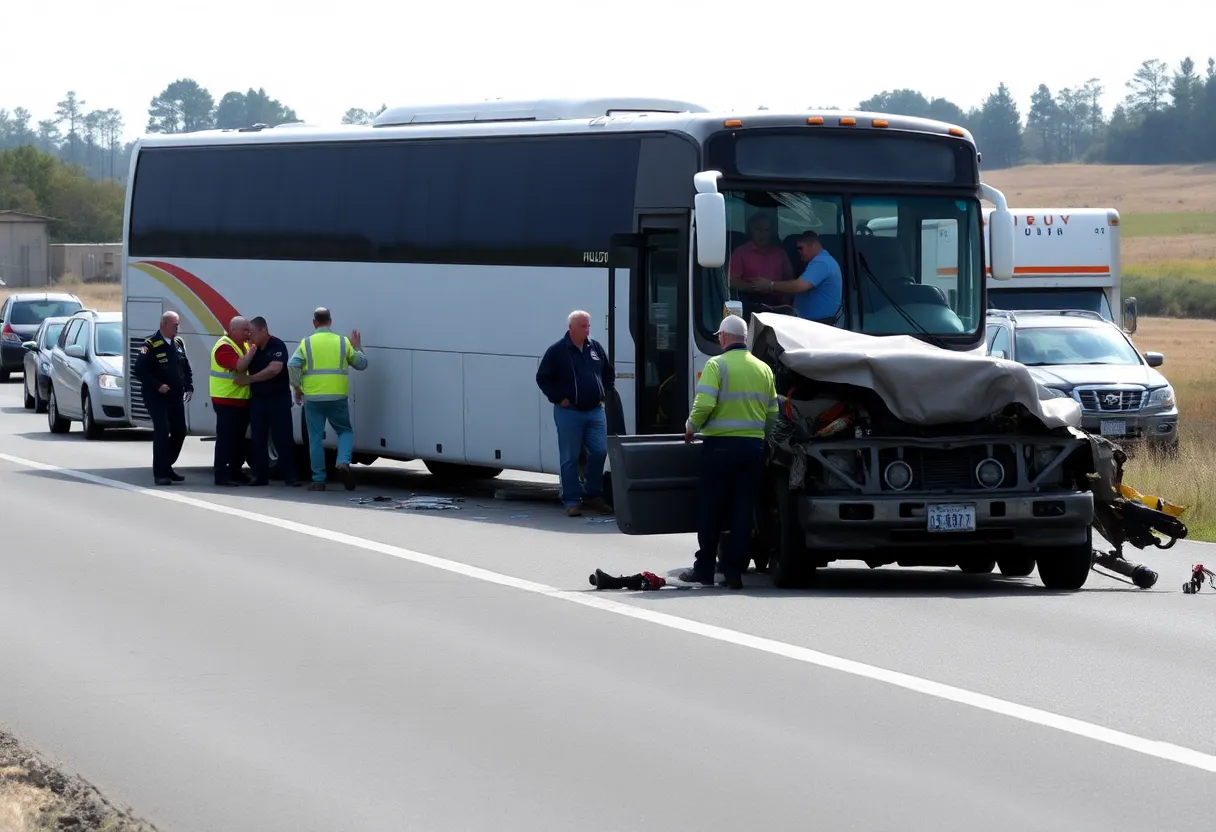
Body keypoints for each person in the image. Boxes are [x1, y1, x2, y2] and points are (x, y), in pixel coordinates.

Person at [679, 314, 778, 590]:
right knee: (743, 511)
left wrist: (690, 426)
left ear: (723, 337)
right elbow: (773, 414)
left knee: (711, 509)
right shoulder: (763, 369)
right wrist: (763, 437)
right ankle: (734, 573)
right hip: (752, 448)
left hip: (720, 447)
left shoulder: (716, 365)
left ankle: (705, 570)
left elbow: (704, 404)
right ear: (743, 338)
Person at [535, 310, 615, 517]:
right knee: (569, 457)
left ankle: (593, 495)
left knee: (599, 451)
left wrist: (604, 394)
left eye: (588, 326)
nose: (587, 330)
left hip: (595, 411)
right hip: (569, 412)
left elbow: (608, 372)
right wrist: (559, 398)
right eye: (583, 326)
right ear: (571, 328)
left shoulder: (594, 347)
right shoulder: (558, 351)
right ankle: (571, 500)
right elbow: (543, 378)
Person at [287, 307, 368, 492]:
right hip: (337, 397)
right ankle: (343, 462)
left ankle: (318, 480)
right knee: (344, 431)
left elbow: (292, 365)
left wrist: (297, 388)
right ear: (330, 322)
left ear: (314, 323)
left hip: (313, 398)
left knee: (315, 438)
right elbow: (361, 364)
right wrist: (357, 348)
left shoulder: (306, 343)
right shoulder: (342, 342)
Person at [236, 316, 300, 487]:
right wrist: (249, 353)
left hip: (278, 399)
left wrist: (250, 379)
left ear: (263, 330)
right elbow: (240, 368)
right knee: (258, 439)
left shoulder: (277, 345)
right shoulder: (253, 349)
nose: (250, 336)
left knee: (283, 438)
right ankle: (259, 476)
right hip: (258, 400)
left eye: (252, 332)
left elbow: (275, 369)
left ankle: (291, 476)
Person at [132, 310, 193, 486]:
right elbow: (139, 370)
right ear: (163, 325)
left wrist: (189, 386)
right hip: (156, 396)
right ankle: (160, 473)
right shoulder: (150, 344)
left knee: (180, 430)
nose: (177, 328)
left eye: (177, 325)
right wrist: (158, 385)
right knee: (162, 429)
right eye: (174, 325)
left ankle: (167, 465)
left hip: (175, 396)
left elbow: (185, 367)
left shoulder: (178, 343)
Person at [762, 230, 843, 325]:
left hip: (820, 326)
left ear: (813, 245)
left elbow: (799, 286)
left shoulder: (822, 262)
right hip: (813, 324)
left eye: (800, 248)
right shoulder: (821, 261)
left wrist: (770, 285)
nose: (798, 252)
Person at [210, 316, 254, 487]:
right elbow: (240, 366)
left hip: (240, 400)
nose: (247, 333)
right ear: (233, 329)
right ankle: (220, 474)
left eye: (248, 329)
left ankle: (236, 471)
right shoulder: (224, 347)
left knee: (238, 439)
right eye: (244, 330)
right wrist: (252, 350)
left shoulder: (240, 345)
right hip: (225, 400)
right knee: (225, 439)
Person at [728, 212, 795, 313]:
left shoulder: (780, 253)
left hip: (777, 303)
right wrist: (756, 287)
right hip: (751, 302)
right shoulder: (741, 252)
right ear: (751, 230)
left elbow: (790, 279)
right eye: (758, 230)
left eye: (766, 230)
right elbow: (732, 282)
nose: (762, 234)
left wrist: (786, 297)